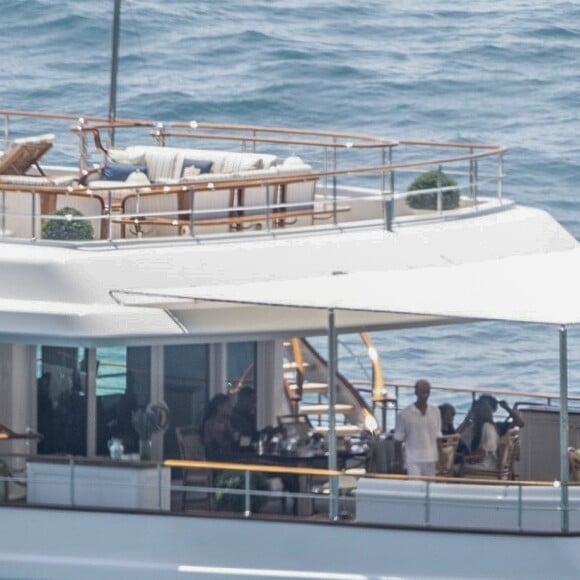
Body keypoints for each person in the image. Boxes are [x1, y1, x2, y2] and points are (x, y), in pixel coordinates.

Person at [394, 379, 441, 476]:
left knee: (430, 487)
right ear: (416, 392)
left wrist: (441, 458)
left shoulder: (435, 412)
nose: (425, 394)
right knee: (415, 487)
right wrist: (398, 461)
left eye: (427, 391)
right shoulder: (404, 414)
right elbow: (398, 440)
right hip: (413, 459)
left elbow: (438, 437)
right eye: (422, 391)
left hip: (431, 457)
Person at [462, 398, 500, 469]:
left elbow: (484, 452)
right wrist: (466, 420)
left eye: (473, 410)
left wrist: (464, 458)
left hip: (486, 465)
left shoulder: (487, 427)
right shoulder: (475, 426)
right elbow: (459, 437)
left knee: (452, 467)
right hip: (480, 462)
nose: (470, 412)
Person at [201, 393, 234, 460]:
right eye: (228, 406)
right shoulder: (210, 423)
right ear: (219, 407)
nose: (231, 408)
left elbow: (232, 438)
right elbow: (216, 443)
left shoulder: (227, 422)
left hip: (226, 456)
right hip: (215, 459)